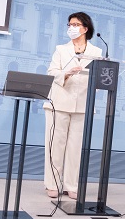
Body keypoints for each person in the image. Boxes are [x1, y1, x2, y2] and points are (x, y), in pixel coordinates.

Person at [43, 12, 102, 199]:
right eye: (69, 25)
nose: (72, 28)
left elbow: (100, 77)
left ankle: (71, 185)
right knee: (55, 145)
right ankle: (52, 183)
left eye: (76, 24)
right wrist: (66, 73)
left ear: (85, 28)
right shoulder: (61, 49)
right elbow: (52, 72)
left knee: (76, 148)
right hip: (59, 102)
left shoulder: (97, 52)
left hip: (83, 104)